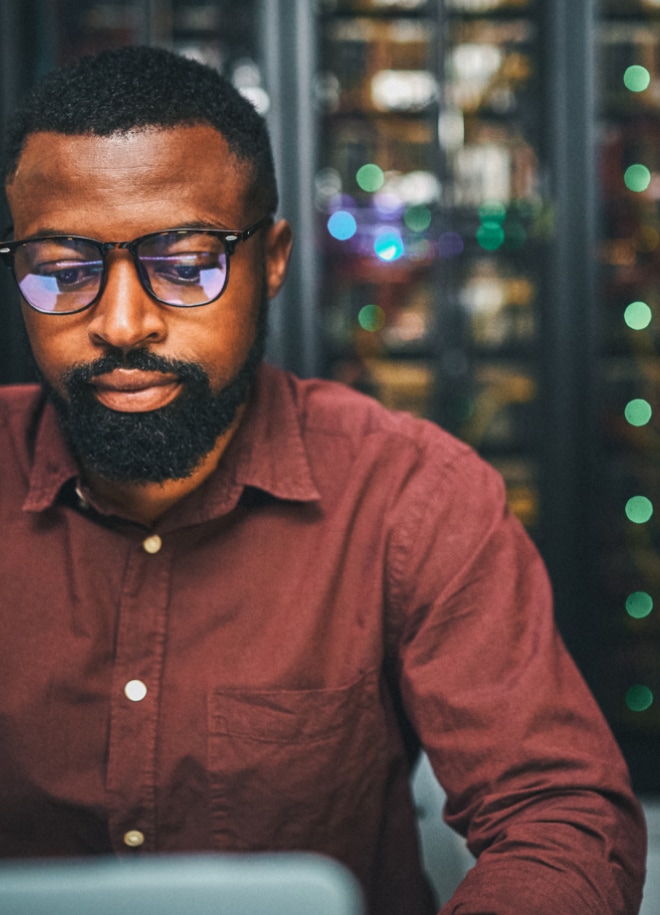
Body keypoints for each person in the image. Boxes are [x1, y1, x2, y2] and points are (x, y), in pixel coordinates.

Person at [0, 46, 646, 915]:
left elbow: (557, 813)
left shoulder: (414, 497)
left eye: (187, 263)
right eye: (64, 271)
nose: (123, 322)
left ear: (272, 261)